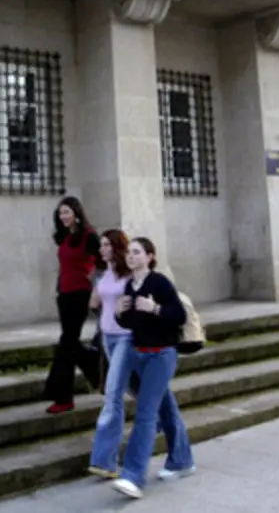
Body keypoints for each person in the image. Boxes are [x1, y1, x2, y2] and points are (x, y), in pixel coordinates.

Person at [112, 237, 194, 499]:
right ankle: (181, 460)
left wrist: (155, 308)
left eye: (137, 252)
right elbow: (132, 324)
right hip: (139, 355)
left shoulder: (158, 282)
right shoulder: (129, 285)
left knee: (146, 414)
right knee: (165, 408)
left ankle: (133, 477)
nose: (131, 256)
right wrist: (118, 313)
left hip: (162, 355)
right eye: (129, 252)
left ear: (149, 256)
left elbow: (179, 316)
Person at [42, 196, 102, 414]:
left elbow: (103, 260)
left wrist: (94, 276)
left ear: (77, 213)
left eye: (67, 212)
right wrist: (59, 287)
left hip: (80, 294)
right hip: (64, 295)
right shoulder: (64, 237)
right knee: (69, 342)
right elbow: (65, 265)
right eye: (60, 213)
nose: (63, 216)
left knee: (67, 342)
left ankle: (62, 396)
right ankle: (93, 367)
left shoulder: (89, 236)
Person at [87, 228, 135, 479]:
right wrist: (96, 294)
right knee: (134, 387)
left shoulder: (129, 276)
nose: (101, 248)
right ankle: (161, 418)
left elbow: (135, 303)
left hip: (126, 338)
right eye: (101, 245)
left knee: (113, 393)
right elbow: (95, 304)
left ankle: (104, 460)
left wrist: (123, 305)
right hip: (107, 337)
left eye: (106, 245)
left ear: (116, 247)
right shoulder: (103, 274)